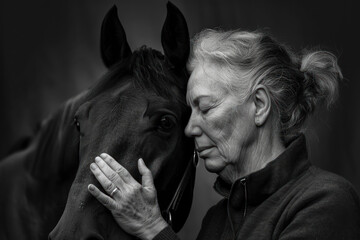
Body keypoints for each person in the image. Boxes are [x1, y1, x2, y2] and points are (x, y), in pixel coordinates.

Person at [87, 28, 360, 240]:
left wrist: (153, 228)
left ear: (260, 106)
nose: (190, 128)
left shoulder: (324, 201)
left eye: (204, 108)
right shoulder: (216, 220)